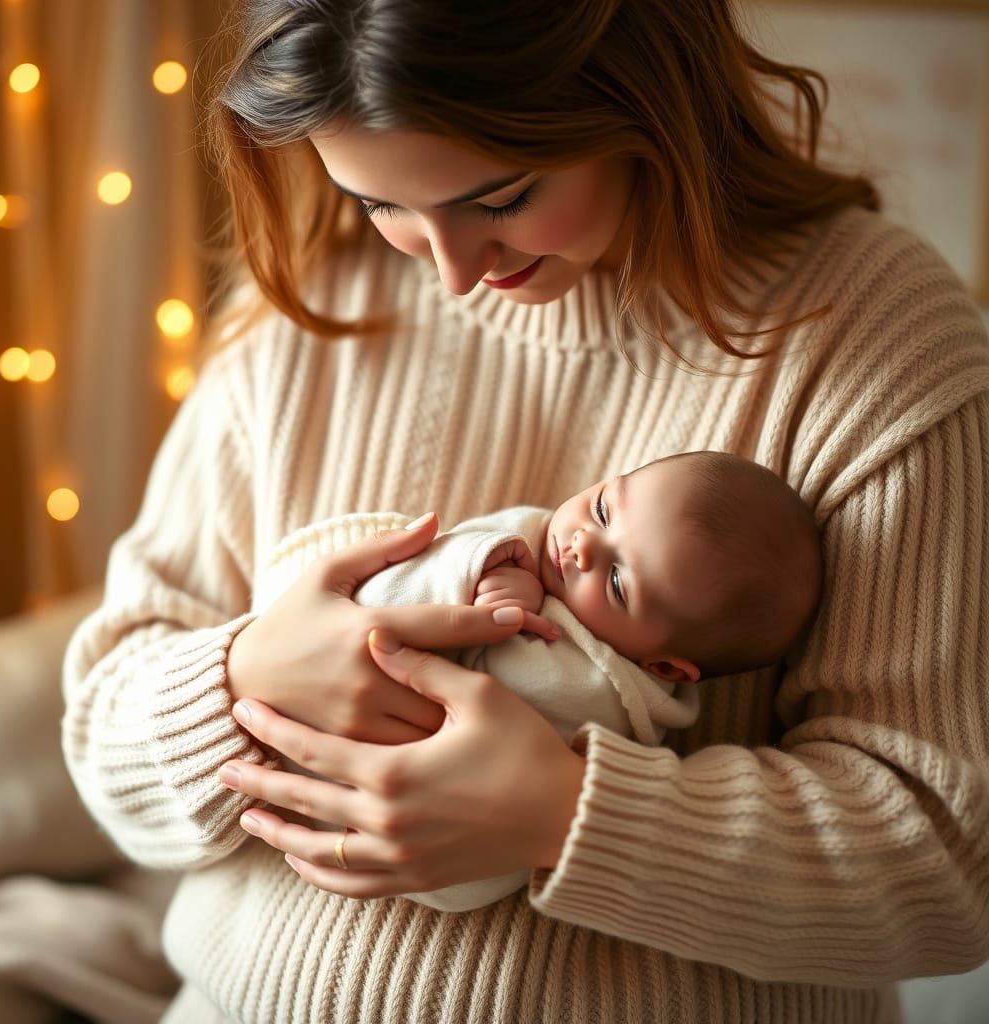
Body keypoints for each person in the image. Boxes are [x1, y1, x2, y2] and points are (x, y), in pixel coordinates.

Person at [61, 1, 989, 1021]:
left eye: (498, 197)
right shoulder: (309, 304)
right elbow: (102, 734)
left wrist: (562, 815)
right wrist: (240, 680)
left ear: (644, 96)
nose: (455, 271)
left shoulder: (873, 335)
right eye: (380, 204)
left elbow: (945, 871)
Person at [256, 450, 822, 912]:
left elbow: (516, 719)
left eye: (619, 583)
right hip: (292, 689)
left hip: (409, 824)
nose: (580, 548)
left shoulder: (601, 690)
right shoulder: (534, 534)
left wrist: (507, 624)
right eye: (603, 509)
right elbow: (435, 563)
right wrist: (480, 563)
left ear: (665, 668)